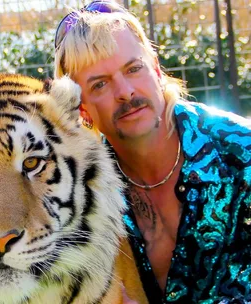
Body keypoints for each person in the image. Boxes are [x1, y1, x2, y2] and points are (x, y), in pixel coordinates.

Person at [54, 0, 251, 303]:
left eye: (133, 69)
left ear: (157, 71)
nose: (125, 91)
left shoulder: (241, 154)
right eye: (100, 85)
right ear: (83, 110)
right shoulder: (83, 196)